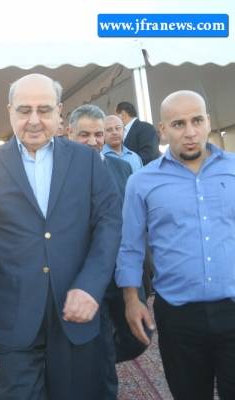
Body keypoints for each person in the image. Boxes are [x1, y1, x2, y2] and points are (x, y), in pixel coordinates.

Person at [0, 74, 122, 399]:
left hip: (76, 310)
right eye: (24, 110)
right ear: (10, 111)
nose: (34, 120)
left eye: (44, 110)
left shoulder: (87, 160)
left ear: (59, 112)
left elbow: (109, 224)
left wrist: (91, 285)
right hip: (16, 316)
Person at [116, 90, 235, 400]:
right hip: (178, 317)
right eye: (178, 124)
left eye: (197, 120)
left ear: (208, 121)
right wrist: (131, 300)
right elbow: (130, 247)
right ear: (162, 129)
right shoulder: (141, 182)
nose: (190, 132)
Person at [67, 104, 149, 399]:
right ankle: (98, 369)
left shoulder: (122, 168)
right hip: (87, 274)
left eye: (98, 134)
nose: (93, 141)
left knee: (141, 335)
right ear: (69, 133)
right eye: (84, 135)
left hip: (122, 270)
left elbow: (132, 218)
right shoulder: (61, 173)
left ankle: (91, 362)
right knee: (101, 352)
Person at [116, 101, 161, 165]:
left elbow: (149, 155)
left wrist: (124, 164)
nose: (115, 120)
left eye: (116, 116)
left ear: (123, 114)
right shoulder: (122, 132)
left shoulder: (146, 128)